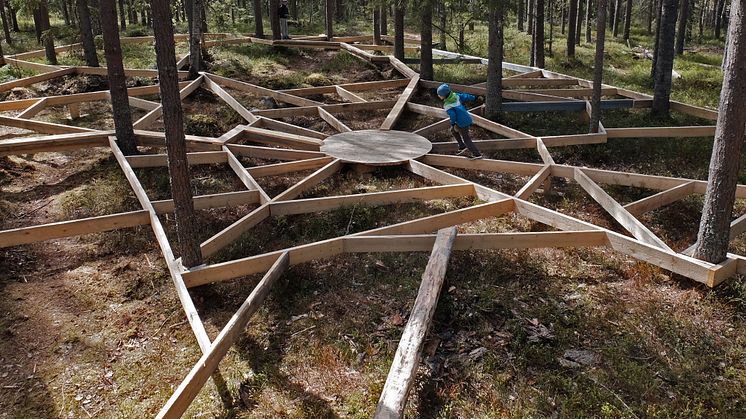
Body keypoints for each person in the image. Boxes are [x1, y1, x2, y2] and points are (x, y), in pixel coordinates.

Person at [437, 83, 483, 159]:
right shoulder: (455, 95)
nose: (438, 96)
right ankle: (461, 146)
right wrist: (474, 98)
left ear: (444, 95)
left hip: (462, 122)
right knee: (453, 130)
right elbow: (465, 96)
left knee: (466, 139)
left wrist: (453, 123)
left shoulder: (447, 105)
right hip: (466, 118)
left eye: (439, 95)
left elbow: (453, 115)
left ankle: (477, 154)